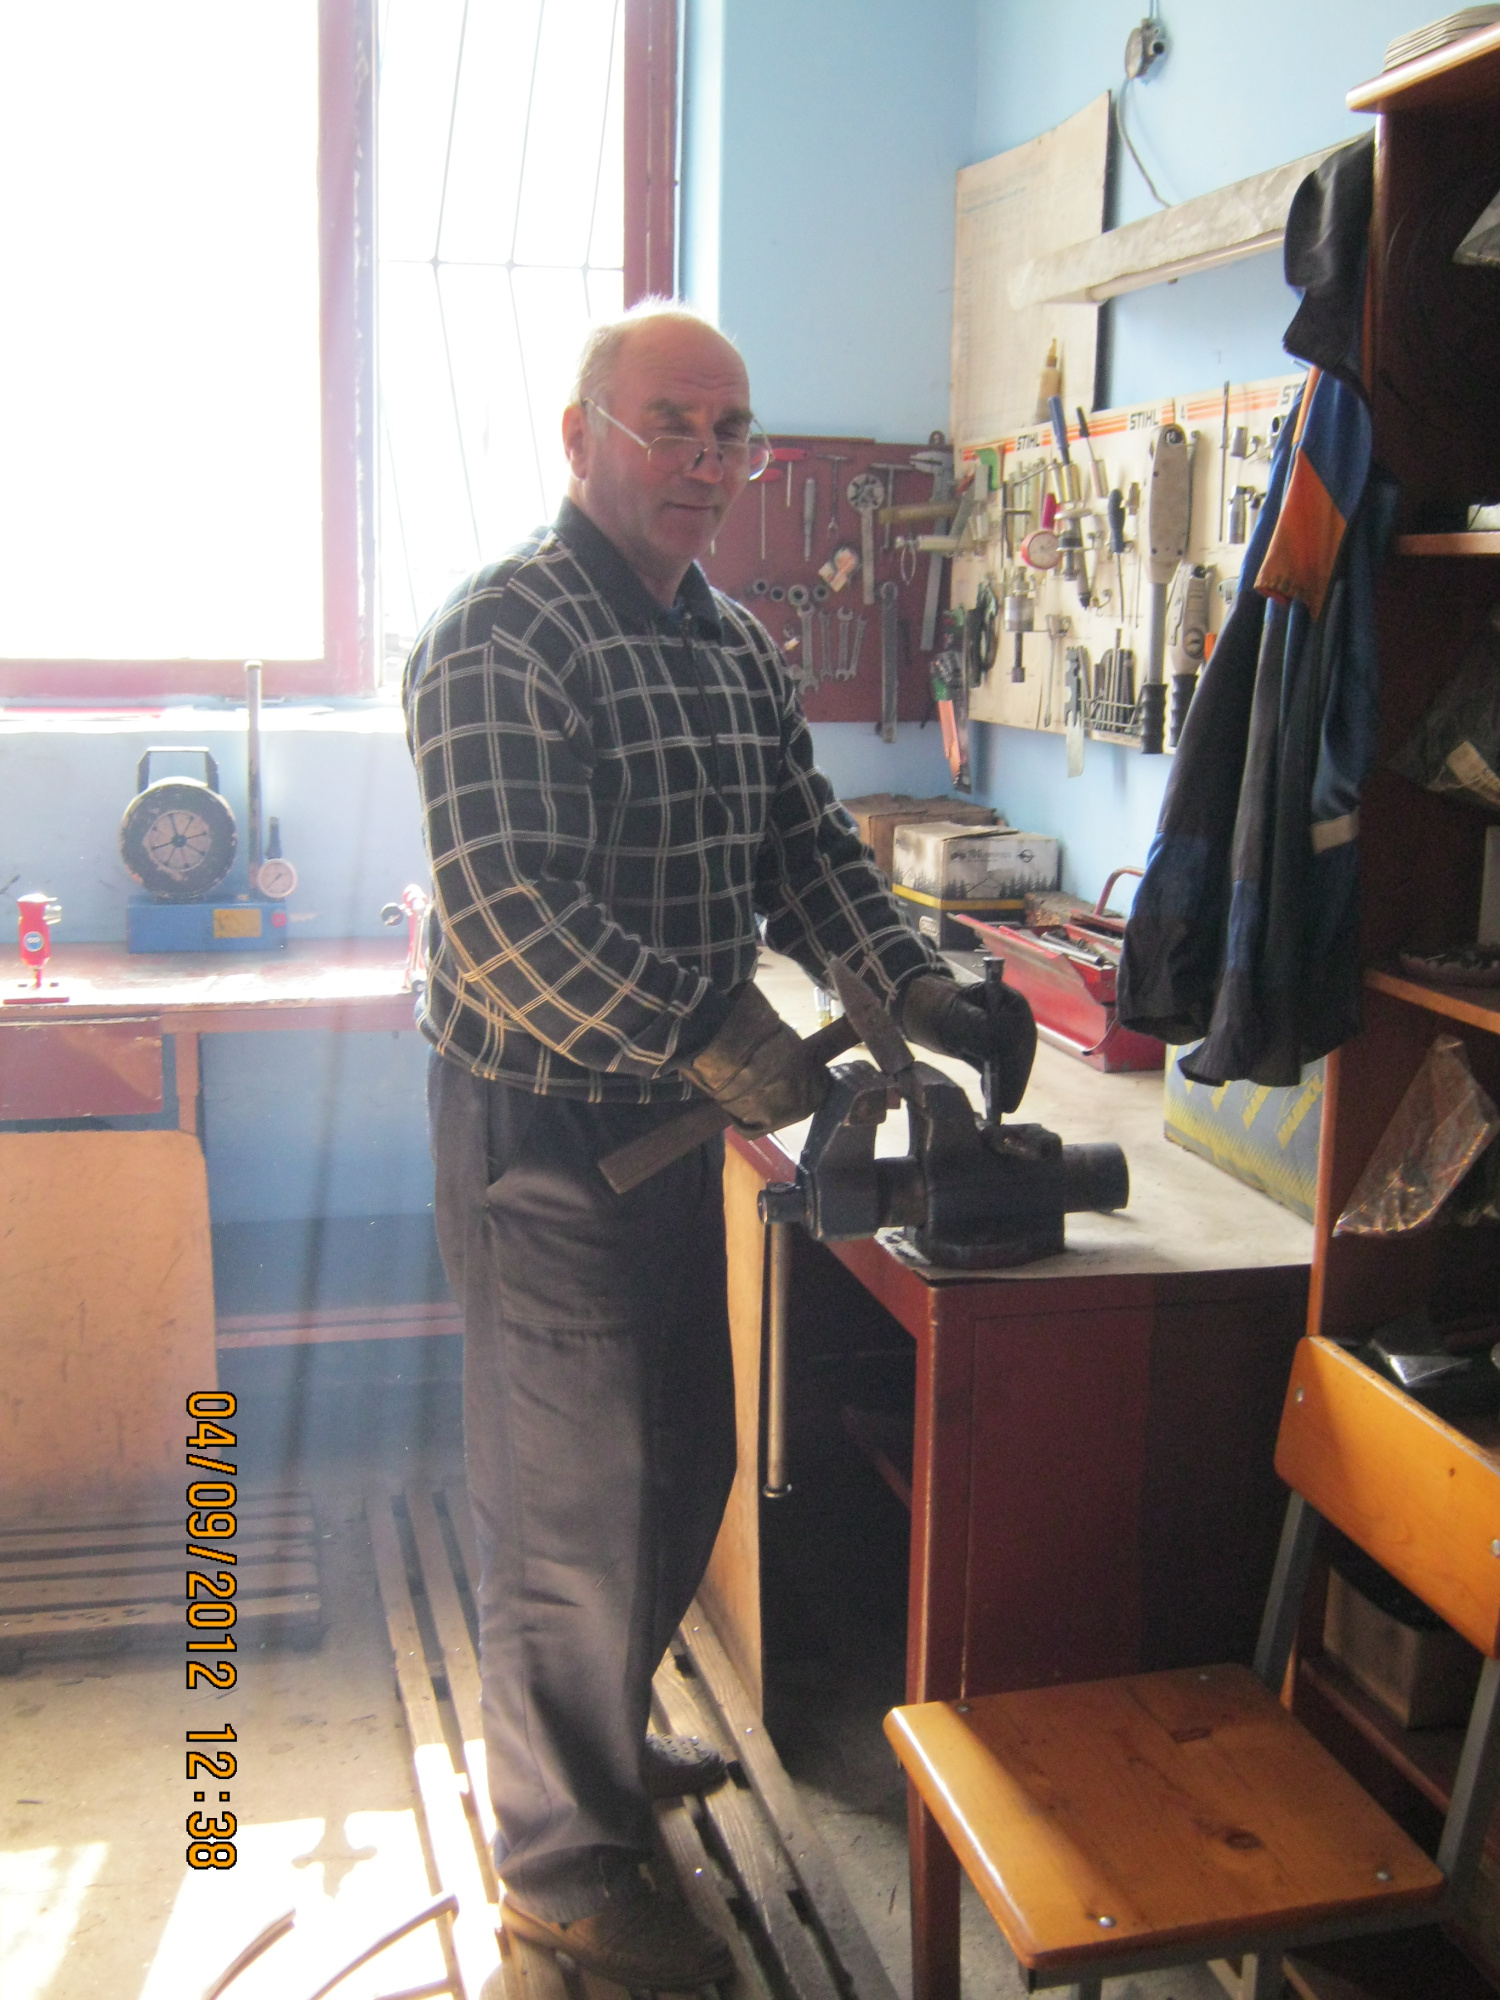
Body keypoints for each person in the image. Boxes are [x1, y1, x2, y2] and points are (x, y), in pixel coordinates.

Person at [404, 300, 1035, 1990]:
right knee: (570, 1506)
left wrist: (914, 976)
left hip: (680, 1123)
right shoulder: (499, 636)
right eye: (668, 423)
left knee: (677, 1461)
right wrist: (705, 1022)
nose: (704, 458)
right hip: (543, 1132)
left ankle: (598, 1751)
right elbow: (506, 916)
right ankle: (561, 1864)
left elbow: (806, 847)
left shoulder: (734, 644)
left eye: (729, 431)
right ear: (580, 435)